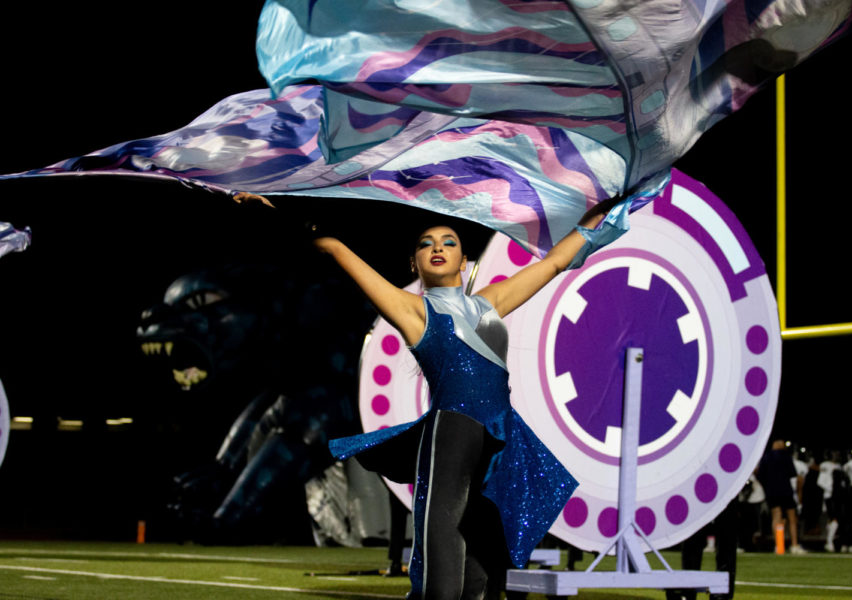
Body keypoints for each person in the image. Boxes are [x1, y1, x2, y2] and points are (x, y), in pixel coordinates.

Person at [230, 191, 613, 599]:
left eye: (449, 243)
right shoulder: (410, 309)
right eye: (426, 243)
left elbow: (556, 261)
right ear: (413, 263)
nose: (437, 248)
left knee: (482, 581)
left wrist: (607, 207)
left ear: (465, 264)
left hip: (502, 439)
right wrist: (275, 209)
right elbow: (334, 247)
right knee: (442, 575)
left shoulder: (490, 303)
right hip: (451, 434)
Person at [757, 439, 806, 554]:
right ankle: (794, 545)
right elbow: (792, 473)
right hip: (785, 490)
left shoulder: (766, 456)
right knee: (792, 517)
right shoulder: (785, 456)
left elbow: (760, 474)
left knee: (776, 516)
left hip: (771, 491)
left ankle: (779, 545)